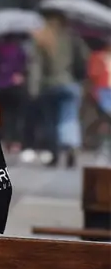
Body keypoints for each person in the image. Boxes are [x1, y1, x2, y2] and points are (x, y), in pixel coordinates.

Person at [31, 11, 89, 168]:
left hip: (48, 86)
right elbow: (83, 59)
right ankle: (70, 145)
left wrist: (33, 90)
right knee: (69, 118)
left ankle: (54, 153)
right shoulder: (73, 38)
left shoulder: (41, 38)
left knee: (50, 122)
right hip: (69, 83)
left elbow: (35, 66)